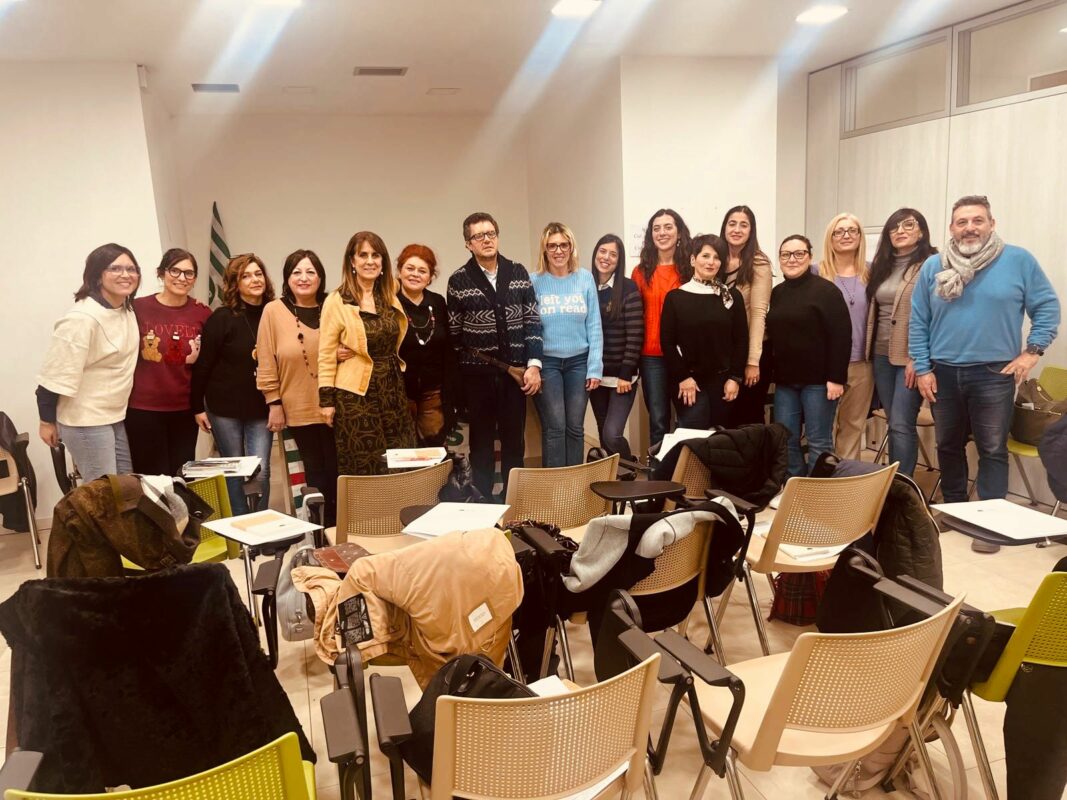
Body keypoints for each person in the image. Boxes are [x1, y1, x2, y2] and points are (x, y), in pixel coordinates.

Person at [911, 195, 1060, 551]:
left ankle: (990, 525)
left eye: (977, 220)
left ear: (992, 224)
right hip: (943, 372)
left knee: (992, 448)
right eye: (962, 222)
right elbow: (918, 320)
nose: (970, 228)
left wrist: (1032, 352)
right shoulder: (934, 266)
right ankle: (955, 510)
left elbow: (1047, 307)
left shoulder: (1018, 260)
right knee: (948, 445)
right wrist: (923, 367)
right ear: (951, 228)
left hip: (994, 373)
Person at [446, 212, 543, 498]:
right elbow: (454, 333)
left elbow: (532, 322)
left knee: (514, 442)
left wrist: (534, 365)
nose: (486, 240)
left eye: (491, 234)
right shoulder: (458, 281)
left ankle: (514, 499)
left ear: (497, 237)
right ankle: (483, 499)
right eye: (478, 236)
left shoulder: (518, 272)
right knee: (481, 444)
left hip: (515, 374)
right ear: (468, 244)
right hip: (477, 377)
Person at [36, 243, 140, 481]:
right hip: (85, 419)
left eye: (131, 269)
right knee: (102, 493)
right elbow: (54, 375)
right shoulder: (81, 319)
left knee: (126, 488)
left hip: (113, 415)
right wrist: (46, 421)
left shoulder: (126, 310)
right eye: (115, 268)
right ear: (97, 275)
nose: (125, 275)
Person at [319, 232, 416, 476]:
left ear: (383, 261)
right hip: (356, 395)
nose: (370, 261)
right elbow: (326, 354)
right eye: (363, 255)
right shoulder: (337, 300)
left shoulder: (389, 294)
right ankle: (368, 504)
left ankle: (401, 503)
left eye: (376, 255)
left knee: (401, 458)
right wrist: (326, 402)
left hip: (392, 389)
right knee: (366, 463)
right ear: (352, 261)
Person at [257, 249, 338, 526]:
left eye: (310, 272)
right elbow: (266, 360)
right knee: (315, 473)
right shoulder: (273, 311)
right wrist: (274, 402)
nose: (304, 278)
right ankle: (321, 532)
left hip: (337, 405)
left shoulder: (334, 306)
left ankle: (343, 532)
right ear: (287, 278)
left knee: (339, 471)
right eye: (296, 272)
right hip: (299, 406)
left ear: (320, 277)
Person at [191, 253, 274, 513]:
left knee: (261, 470)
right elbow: (203, 365)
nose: (254, 280)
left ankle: (261, 525)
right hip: (224, 408)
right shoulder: (221, 318)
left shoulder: (274, 313)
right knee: (234, 470)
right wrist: (197, 407)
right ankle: (240, 526)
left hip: (262, 406)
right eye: (246, 276)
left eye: (258, 274)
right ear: (235, 284)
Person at [766, 235, 852, 476]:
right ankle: (795, 486)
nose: (792, 259)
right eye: (786, 254)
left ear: (810, 257)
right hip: (786, 382)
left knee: (819, 441)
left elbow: (841, 336)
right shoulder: (777, 293)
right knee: (787, 439)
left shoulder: (827, 291)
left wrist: (836, 378)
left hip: (819, 382)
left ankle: (818, 492)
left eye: (799, 253)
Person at [124, 249, 212, 477]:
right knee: (151, 478)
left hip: (184, 410)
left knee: (180, 476)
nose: (182, 278)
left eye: (189, 273)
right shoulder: (138, 308)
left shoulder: (202, 313)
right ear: (161, 273)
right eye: (175, 271)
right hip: (143, 410)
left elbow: (206, 364)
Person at [865, 208, 938, 476]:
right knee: (894, 422)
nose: (900, 231)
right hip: (880, 355)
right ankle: (894, 479)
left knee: (900, 422)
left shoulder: (931, 264)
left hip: (910, 357)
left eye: (908, 225)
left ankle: (903, 485)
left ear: (921, 232)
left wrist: (919, 359)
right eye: (894, 227)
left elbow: (936, 315)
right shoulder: (881, 266)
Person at [530, 222, 603, 467]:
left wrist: (595, 367)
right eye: (552, 246)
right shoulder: (534, 281)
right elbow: (530, 327)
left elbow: (594, 324)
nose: (558, 250)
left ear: (571, 247)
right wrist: (533, 365)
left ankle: (575, 482)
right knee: (555, 426)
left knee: (575, 426)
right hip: (547, 362)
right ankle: (555, 484)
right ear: (545, 249)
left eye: (563, 245)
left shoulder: (585, 278)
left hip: (579, 363)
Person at [660, 234, 748, 429]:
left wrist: (735, 378)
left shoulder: (731, 296)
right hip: (687, 380)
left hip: (723, 381)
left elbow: (741, 340)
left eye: (717, 257)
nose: (711, 262)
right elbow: (667, 343)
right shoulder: (675, 297)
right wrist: (683, 378)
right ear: (693, 260)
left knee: (719, 436)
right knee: (694, 432)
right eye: (705, 256)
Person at [813, 213, 873, 459]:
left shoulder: (872, 272)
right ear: (830, 238)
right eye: (839, 231)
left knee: (853, 426)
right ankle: (823, 476)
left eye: (852, 230)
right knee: (822, 428)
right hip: (824, 365)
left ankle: (847, 477)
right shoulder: (816, 272)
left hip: (861, 363)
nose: (846, 235)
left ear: (860, 236)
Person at [632, 208, 692, 448]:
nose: (662, 233)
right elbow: (635, 317)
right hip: (652, 357)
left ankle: (685, 467)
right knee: (658, 420)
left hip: (685, 357)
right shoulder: (640, 272)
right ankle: (659, 470)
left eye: (668, 227)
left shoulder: (690, 270)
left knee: (689, 419)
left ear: (679, 233)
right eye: (656, 228)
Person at [589, 234, 643, 460]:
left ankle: (630, 465)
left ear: (619, 260)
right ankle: (613, 475)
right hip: (596, 374)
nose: (606, 257)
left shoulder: (628, 288)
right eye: (602, 251)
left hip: (622, 376)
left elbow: (635, 333)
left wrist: (626, 374)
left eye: (613, 254)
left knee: (612, 434)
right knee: (603, 431)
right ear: (595, 253)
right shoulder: (586, 285)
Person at [395, 244, 455, 447]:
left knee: (434, 449)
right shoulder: (389, 303)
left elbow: (448, 348)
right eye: (410, 268)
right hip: (399, 392)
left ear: (430, 277)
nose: (415, 274)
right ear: (399, 271)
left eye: (422, 271)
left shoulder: (438, 303)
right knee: (403, 450)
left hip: (433, 393)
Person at [719, 205, 773, 426]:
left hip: (751, 350)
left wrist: (752, 361)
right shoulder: (715, 259)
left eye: (744, 225)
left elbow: (759, 314)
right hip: (724, 354)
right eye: (732, 223)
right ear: (724, 227)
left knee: (748, 418)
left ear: (751, 230)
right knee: (724, 418)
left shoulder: (759, 262)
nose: (737, 229)